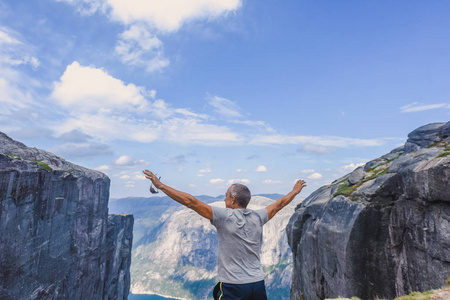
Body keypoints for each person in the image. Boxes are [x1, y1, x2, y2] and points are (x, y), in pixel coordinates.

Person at [143, 170, 306, 300]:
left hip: (234, 286)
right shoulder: (259, 216)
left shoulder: (224, 217)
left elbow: (191, 202)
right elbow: (279, 204)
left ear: (233, 200)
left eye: (226, 196)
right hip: (257, 284)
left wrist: (161, 186)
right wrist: (295, 191)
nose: (224, 198)